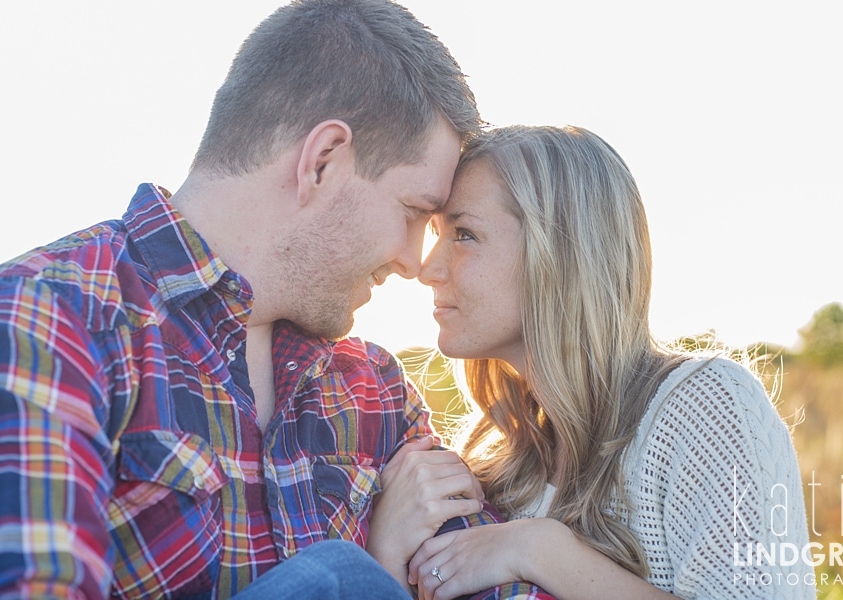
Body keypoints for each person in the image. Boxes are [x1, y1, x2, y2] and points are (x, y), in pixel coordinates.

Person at [0, 1, 526, 598]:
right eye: (412, 214)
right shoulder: (52, 317)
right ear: (322, 161)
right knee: (339, 578)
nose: (414, 262)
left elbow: (499, 586)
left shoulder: (372, 386)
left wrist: (537, 550)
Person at [395, 125, 815, 599]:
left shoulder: (705, 408)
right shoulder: (494, 458)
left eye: (464, 234)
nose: (427, 268)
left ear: (561, 252)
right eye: (437, 233)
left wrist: (542, 550)